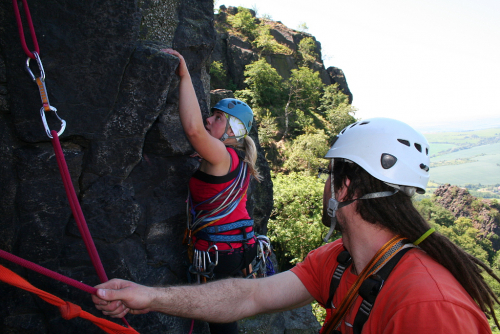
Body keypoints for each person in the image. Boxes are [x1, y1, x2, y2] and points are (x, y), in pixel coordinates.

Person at [93, 115, 500, 333]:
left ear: (342, 187)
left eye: (329, 177)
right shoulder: (338, 261)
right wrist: (150, 297)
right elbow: (247, 297)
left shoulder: (428, 305)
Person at [159, 49, 264, 334]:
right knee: (224, 317)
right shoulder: (237, 159)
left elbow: (193, 130)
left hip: (220, 252)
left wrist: (184, 75)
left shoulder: (221, 155)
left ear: (232, 130)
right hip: (242, 248)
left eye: (217, 117)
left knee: (220, 320)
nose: (208, 119)